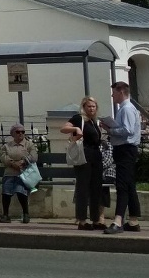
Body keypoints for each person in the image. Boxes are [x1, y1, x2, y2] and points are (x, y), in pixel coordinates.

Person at [61, 97, 107, 230]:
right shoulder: (78, 118)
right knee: (83, 188)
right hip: (83, 155)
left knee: (96, 188)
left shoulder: (95, 122)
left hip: (96, 156)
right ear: (84, 107)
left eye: (93, 106)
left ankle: (96, 219)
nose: (91, 109)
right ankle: (82, 220)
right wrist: (75, 129)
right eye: (89, 106)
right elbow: (63, 128)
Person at [103, 81, 142, 234]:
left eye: (113, 92)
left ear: (121, 92)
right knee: (129, 184)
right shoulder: (125, 108)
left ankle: (118, 220)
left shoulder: (126, 109)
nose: (112, 95)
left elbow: (128, 130)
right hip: (125, 150)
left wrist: (110, 129)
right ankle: (133, 221)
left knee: (122, 185)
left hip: (126, 149)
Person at [0, 124, 38, 224]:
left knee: (21, 192)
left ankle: (26, 214)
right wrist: (12, 163)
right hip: (10, 172)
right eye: (18, 132)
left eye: (23, 132)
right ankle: (5, 215)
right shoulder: (6, 146)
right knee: (6, 192)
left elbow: (34, 156)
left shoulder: (29, 144)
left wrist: (23, 162)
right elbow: (3, 157)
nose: (21, 134)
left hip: (24, 173)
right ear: (12, 134)